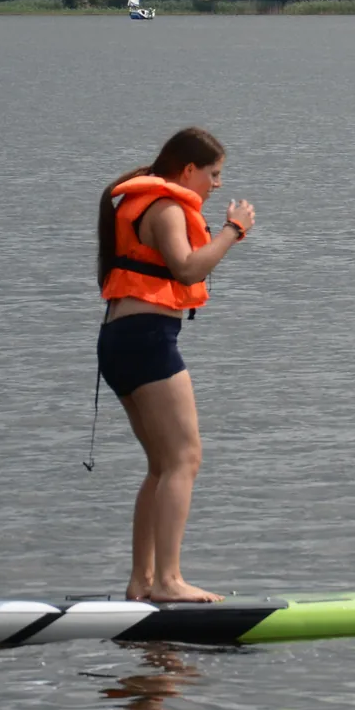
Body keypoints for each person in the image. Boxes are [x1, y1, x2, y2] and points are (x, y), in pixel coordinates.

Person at [97, 127, 255, 603]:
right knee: (185, 459)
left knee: (162, 465)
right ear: (187, 169)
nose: (218, 185)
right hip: (147, 341)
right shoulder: (165, 208)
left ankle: (142, 582)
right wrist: (233, 230)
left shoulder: (140, 202)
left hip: (122, 341)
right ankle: (168, 581)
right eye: (214, 174)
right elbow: (187, 268)